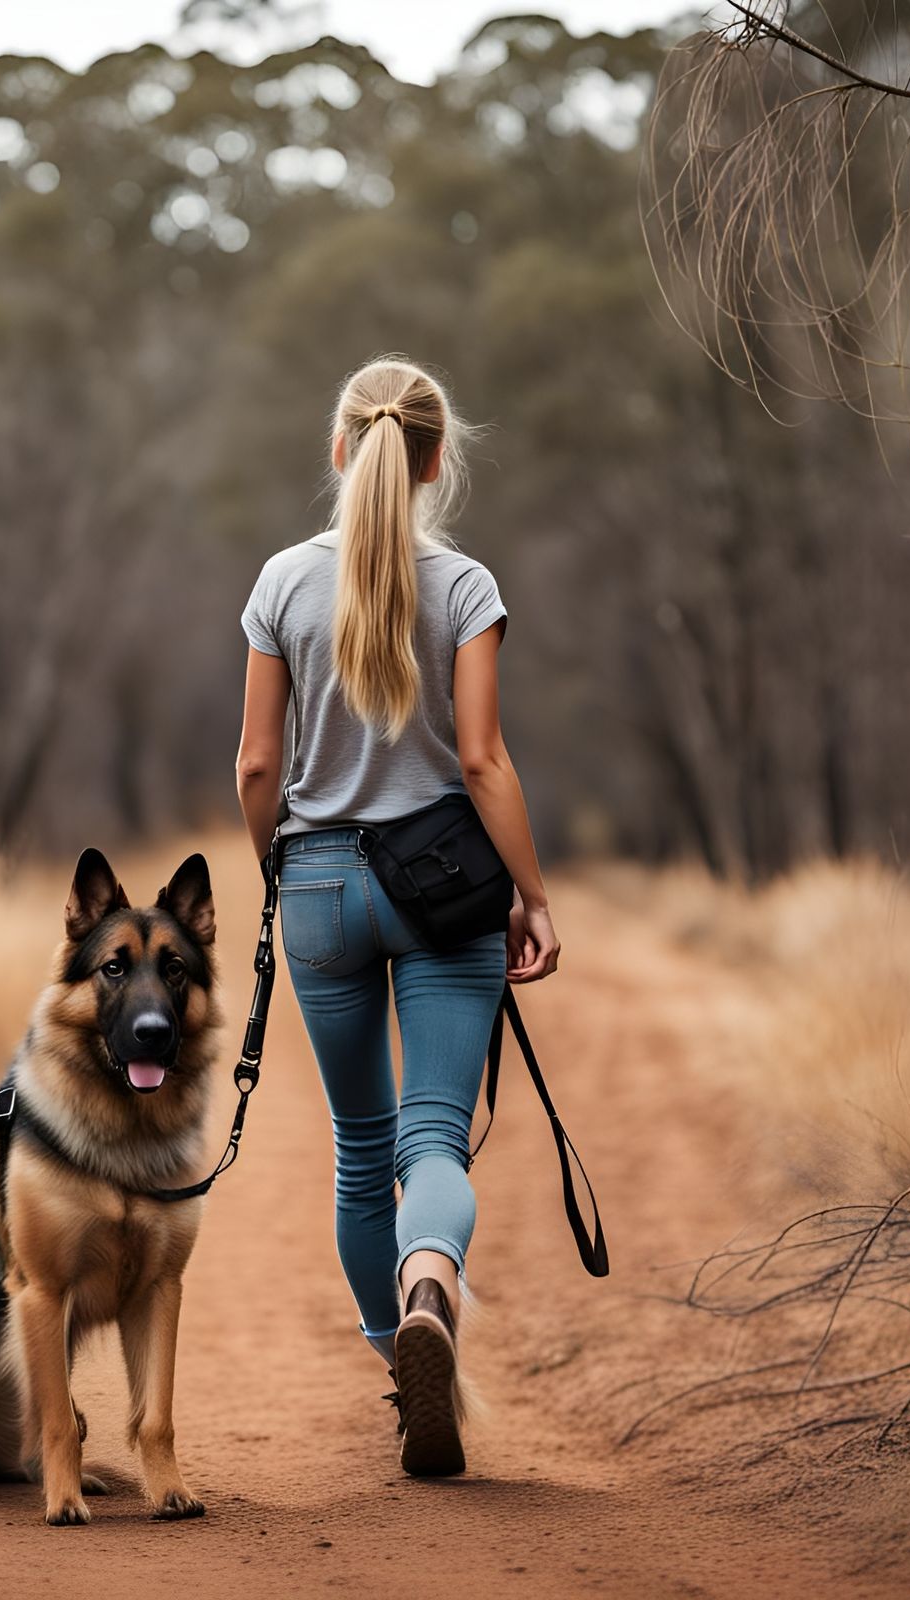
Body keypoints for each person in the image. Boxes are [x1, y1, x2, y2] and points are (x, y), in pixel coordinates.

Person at [234, 355, 561, 1478]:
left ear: (341, 446)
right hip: (441, 890)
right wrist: (532, 893)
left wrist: (279, 872)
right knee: (431, 1138)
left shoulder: (280, 583)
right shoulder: (466, 587)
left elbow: (255, 765)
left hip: (320, 885)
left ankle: (399, 1361)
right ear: (433, 459)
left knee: (358, 1148)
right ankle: (433, 1287)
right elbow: (480, 758)